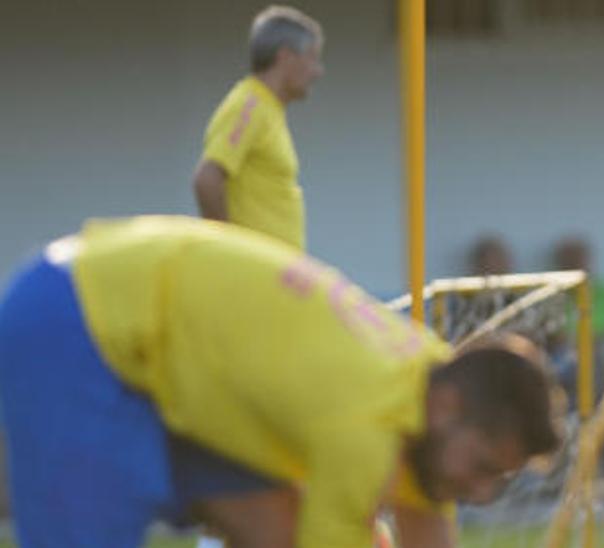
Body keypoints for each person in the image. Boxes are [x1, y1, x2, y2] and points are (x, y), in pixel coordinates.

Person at [0, 216, 560, 547]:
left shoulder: (434, 380)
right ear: (448, 406)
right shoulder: (362, 426)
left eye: (499, 478)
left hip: (167, 345)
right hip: (77, 318)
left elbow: (426, 517)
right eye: (485, 467)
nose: (483, 492)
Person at [192, 5, 325, 250]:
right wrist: (228, 251)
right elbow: (207, 179)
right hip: (254, 276)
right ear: (285, 57)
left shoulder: (268, 108)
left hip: (278, 273)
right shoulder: (249, 104)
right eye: (312, 58)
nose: (318, 71)